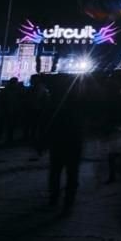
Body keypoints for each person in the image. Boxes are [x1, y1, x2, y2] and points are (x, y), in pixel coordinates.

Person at [38, 75, 84, 214]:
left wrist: (43, 141)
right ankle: (67, 201)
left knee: (56, 172)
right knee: (71, 173)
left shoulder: (54, 104)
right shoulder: (77, 103)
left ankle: (55, 197)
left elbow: (47, 124)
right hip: (72, 142)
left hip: (59, 143)